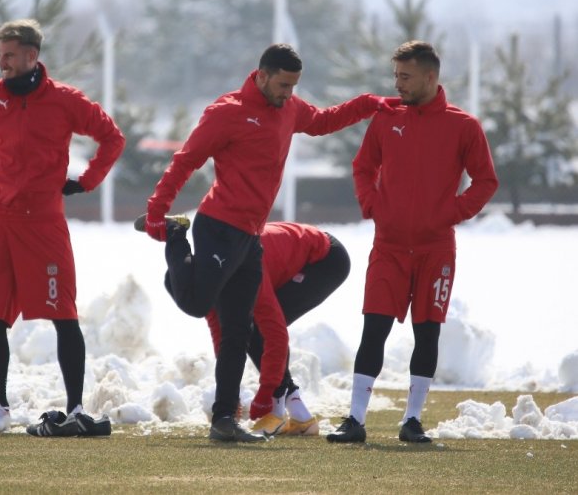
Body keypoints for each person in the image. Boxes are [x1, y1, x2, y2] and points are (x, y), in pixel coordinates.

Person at [137, 43, 393, 442]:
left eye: (294, 86)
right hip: (217, 226)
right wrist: (158, 209)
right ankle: (175, 236)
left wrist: (366, 104)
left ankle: (224, 419)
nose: (288, 93)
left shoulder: (289, 109)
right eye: (283, 84)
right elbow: (186, 159)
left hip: (251, 238)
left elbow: (323, 121)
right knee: (197, 303)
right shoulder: (227, 112)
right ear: (261, 75)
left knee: (238, 330)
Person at [0, 19, 125, 436]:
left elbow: (111, 138)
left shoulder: (65, 101)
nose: (2, 63)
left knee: (65, 315)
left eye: (9, 56)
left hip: (46, 223)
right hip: (0, 222)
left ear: (32, 56)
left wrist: (86, 181)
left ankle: (76, 407)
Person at [326, 40, 498, 445]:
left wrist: (451, 213)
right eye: (395, 75)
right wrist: (371, 204)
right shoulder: (386, 119)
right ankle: (354, 420)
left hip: (436, 250)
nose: (397, 84)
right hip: (388, 246)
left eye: (405, 76)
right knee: (374, 328)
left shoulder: (464, 125)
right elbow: (363, 166)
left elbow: (486, 181)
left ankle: (413, 421)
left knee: (428, 332)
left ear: (430, 77)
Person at [204, 222, 351, 437]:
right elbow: (224, 336)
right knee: (250, 328)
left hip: (327, 259)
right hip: (293, 254)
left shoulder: (248, 269)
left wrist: (267, 392)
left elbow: (276, 334)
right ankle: (301, 417)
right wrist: (229, 389)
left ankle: (277, 413)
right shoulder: (212, 276)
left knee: (260, 328)